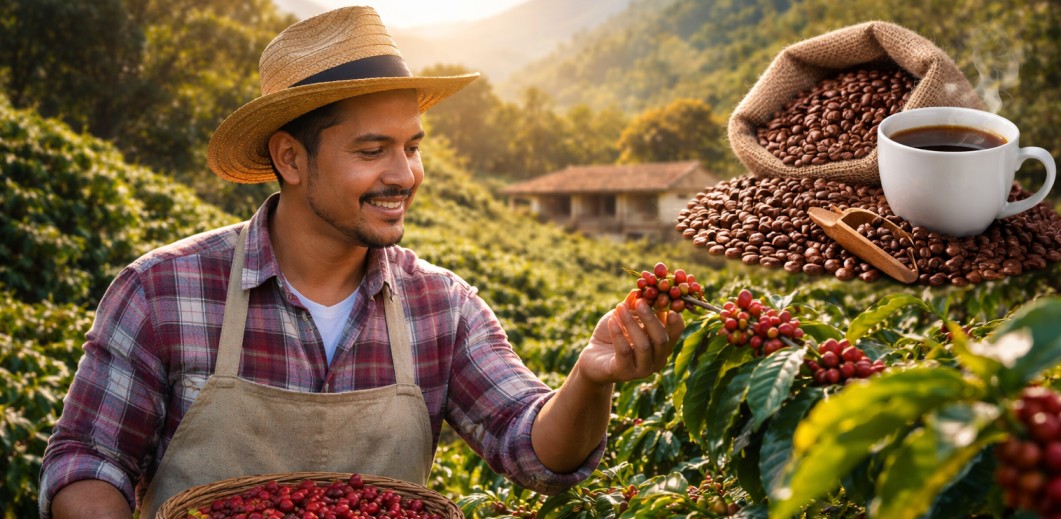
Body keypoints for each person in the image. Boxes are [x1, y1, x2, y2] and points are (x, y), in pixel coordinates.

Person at [39, 6, 684, 518]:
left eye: (412, 147)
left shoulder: (441, 306)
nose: (404, 175)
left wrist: (590, 378)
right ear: (291, 159)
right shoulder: (162, 291)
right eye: (373, 150)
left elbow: (532, 449)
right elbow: (87, 460)